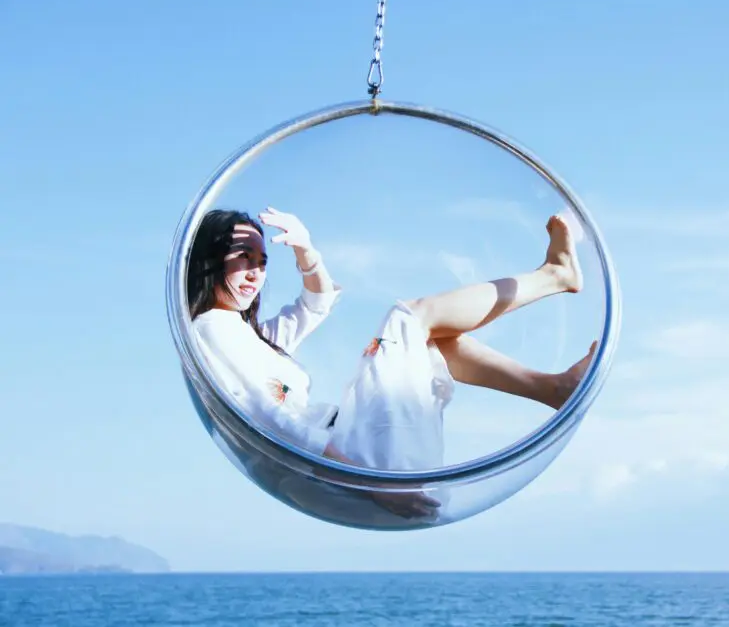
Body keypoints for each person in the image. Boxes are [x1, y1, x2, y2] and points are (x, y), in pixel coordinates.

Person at [187, 206, 595, 519]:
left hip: (353, 464)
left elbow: (315, 303)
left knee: (428, 340)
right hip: (352, 467)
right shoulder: (213, 329)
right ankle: (554, 276)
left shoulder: (246, 336)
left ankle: (553, 388)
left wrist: (305, 251)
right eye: (244, 256)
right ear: (210, 258)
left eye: (262, 261)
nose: (256, 272)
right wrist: (373, 485)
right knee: (408, 317)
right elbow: (274, 424)